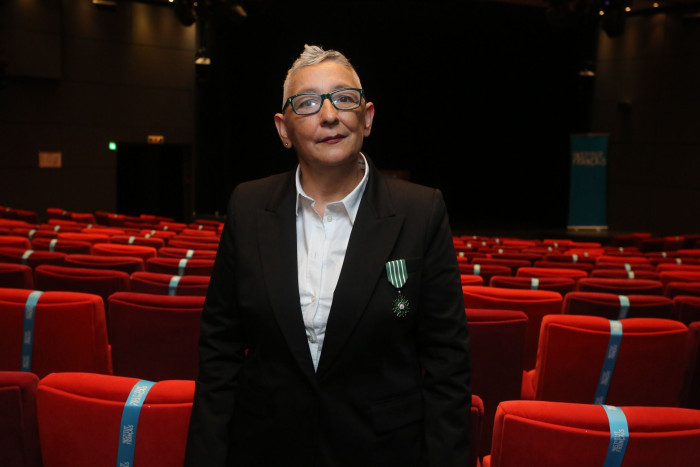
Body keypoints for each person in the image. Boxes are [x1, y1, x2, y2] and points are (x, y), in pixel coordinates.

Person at [184, 44, 471, 467]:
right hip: (266, 449)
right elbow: (219, 352)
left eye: (344, 99)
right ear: (283, 129)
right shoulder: (248, 206)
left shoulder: (420, 211)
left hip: (382, 452)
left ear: (367, 117)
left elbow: (448, 365)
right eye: (307, 103)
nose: (330, 115)